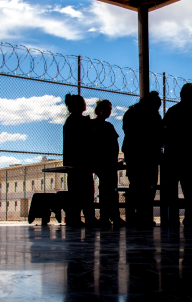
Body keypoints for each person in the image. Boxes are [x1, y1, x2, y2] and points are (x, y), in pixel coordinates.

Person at [163, 83, 192, 225]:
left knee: (174, 189)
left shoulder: (172, 111)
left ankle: (172, 218)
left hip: (175, 155)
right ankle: (190, 217)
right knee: (191, 190)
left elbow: (165, 132)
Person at [121, 91, 164, 227]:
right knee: (149, 187)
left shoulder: (131, 112)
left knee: (136, 185)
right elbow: (160, 134)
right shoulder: (153, 115)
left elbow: (127, 131)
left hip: (133, 154)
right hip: (149, 155)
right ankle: (144, 216)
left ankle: (134, 216)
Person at [62, 93, 97, 226]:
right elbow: (89, 138)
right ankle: (89, 217)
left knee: (75, 192)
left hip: (72, 162)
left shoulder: (69, 121)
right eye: (83, 101)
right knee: (87, 192)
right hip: (82, 161)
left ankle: (74, 217)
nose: (85, 104)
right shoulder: (81, 121)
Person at [91, 99, 125, 227]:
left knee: (108, 190)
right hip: (103, 161)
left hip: (107, 161)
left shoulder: (106, 126)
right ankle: (111, 216)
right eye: (107, 108)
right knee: (109, 190)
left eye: (110, 109)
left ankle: (108, 216)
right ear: (99, 110)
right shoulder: (98, 126)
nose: (109, 111)